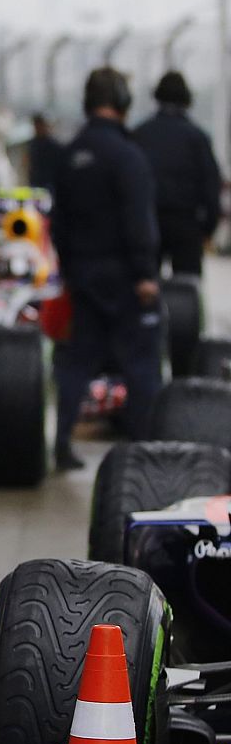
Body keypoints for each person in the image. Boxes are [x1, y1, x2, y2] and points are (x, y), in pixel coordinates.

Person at [51, 68, 161, 470]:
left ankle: (60, 443)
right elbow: (138, 219)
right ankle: (144, 449)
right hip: (125, 276)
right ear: (122, 101)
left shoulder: (70, 155)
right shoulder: (128, 156)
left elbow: (57, 222)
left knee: (77, 361)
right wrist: (146, 273)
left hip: (82, 275)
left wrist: (70, 268)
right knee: (141, 362)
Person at [132, 71, 222, 278]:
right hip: (186, 223)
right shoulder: (197, 137)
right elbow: (211, 186)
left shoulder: (140, 134)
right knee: (187, 285)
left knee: (147, 284)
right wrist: (208, 229)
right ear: (187, 99)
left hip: (148, 221)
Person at [26, 113, 63, 191]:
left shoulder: (52, 144)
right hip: (36, 182)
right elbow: (28, 162)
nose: (37, 128)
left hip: (49, 183)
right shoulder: (32, 144)